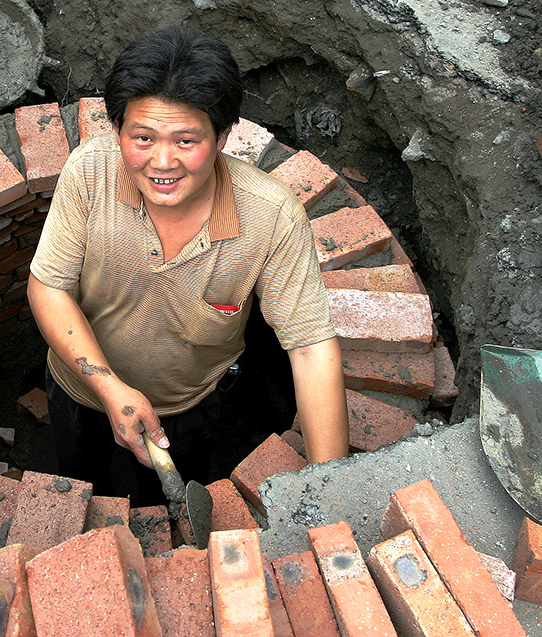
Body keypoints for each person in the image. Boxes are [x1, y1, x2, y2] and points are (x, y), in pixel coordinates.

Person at [27, 26, 348, 502]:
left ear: (221, 136)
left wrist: (332, 491)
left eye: (185, 141)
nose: (161, 162)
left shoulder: (271, 215)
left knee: (164, 496)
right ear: (117, 130)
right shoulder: (89, 173)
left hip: (191, 403)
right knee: (79, 479)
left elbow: (310, 349)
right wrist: (110, 389)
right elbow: (48, 287)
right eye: (142, 137)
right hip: (81, 387)